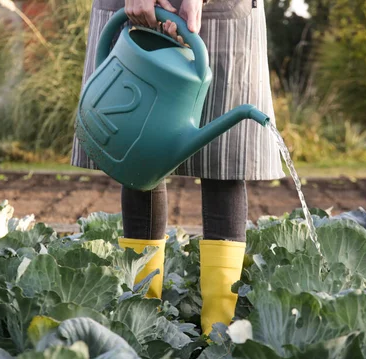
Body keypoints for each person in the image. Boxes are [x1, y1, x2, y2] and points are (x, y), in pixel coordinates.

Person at [71, 0, 285, 335]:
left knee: (224, 160)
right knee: (139, 151)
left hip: (222, 12)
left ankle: (219, 333)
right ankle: (143, 324)